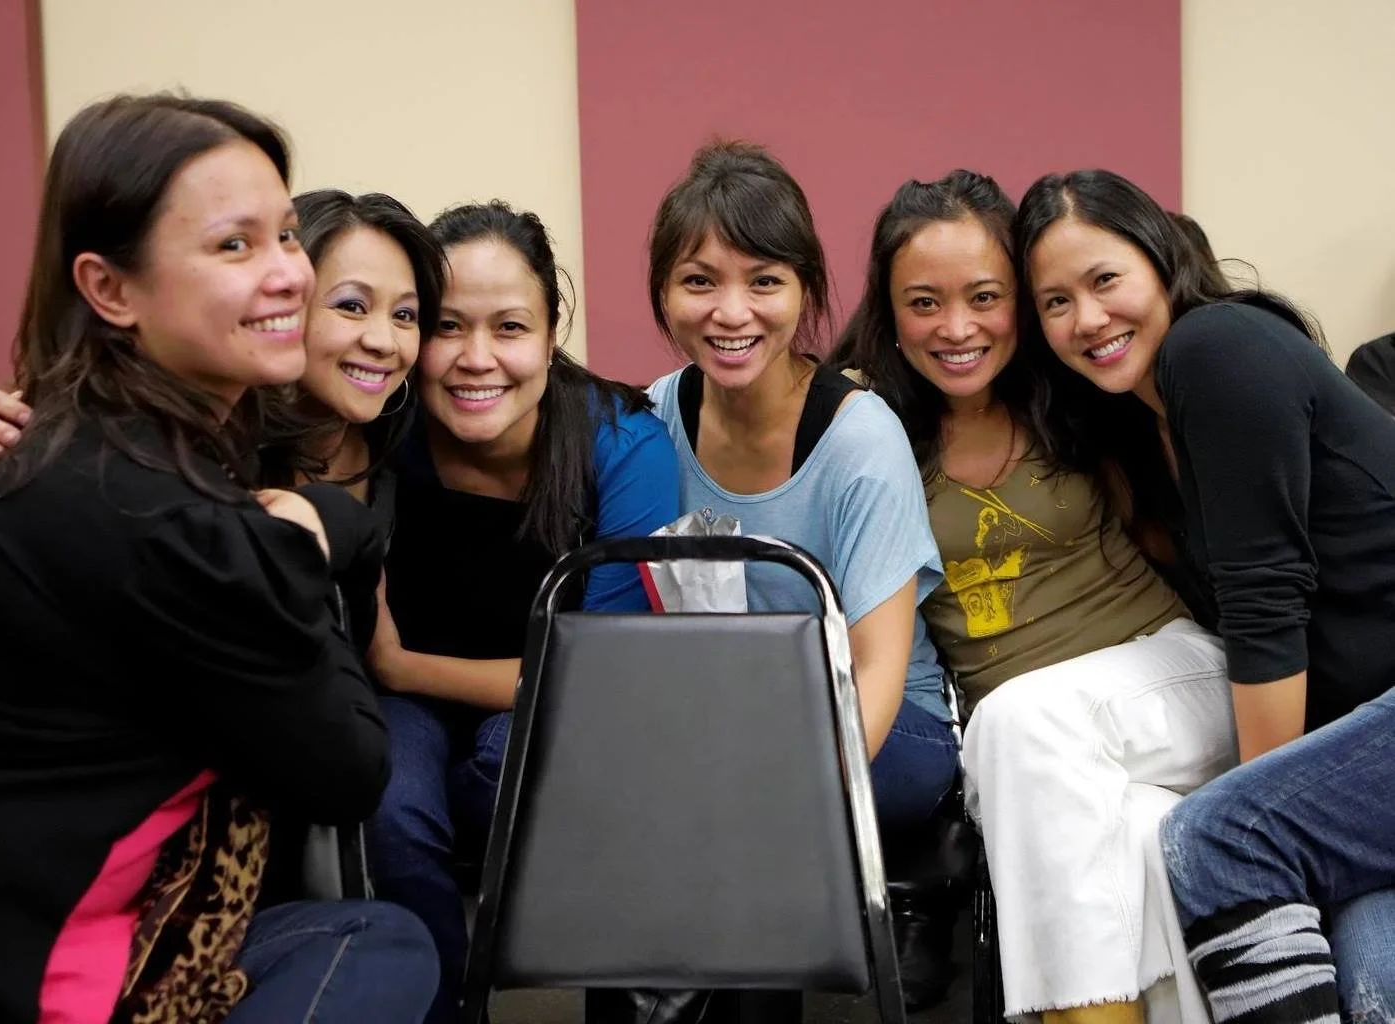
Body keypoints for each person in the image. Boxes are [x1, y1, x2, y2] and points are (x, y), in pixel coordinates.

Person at [0, 94, 438, 1024]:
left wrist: (318, 526)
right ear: (110, 289)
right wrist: (300, 550)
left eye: (287, 236)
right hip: (59, 978)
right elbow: (347, 770)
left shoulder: (62, 443)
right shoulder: (177, 520)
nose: (287, 277)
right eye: (235, 246)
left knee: (371, 933)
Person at [833, 170, 1233, 1024]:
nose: (958, 327)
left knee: (1020, 724)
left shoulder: (1074, 390)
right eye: (924, 302)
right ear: (888, 310)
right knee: (1138, 844)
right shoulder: (863, 429)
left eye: (985, 296)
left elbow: (1175, 531)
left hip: (1164, 678)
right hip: (1024, 750)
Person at [1017, 167, 1395, 1024]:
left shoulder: (1217, 347)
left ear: (1161, 259)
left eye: (1105, 280)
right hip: (1370, 765)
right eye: (1054, 303)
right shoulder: (1140, 433)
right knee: (1376, 979)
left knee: (1219, 838)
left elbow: (1267, 608)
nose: (1087, 319)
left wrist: (1268, 805)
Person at [632, 141, 954, 1016]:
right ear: (663, 293)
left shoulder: (859, 437)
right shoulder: (654, 419)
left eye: (764, 281)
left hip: (887, 730)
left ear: (807, 292)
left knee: (741, 815)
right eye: (700, 281)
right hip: (723, 718)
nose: (732, 311)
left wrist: (784, 778)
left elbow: (881, 669)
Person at [363, 200, 681, 1022]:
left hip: (560, 716)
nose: (476, 360)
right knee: (389, 807)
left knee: (520, 762)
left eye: (509, 327)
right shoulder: (379, 431)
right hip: (413, 713)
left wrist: (400, 664)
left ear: (551, 330)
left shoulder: (624, 446)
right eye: (444, 327)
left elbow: (600, 675)